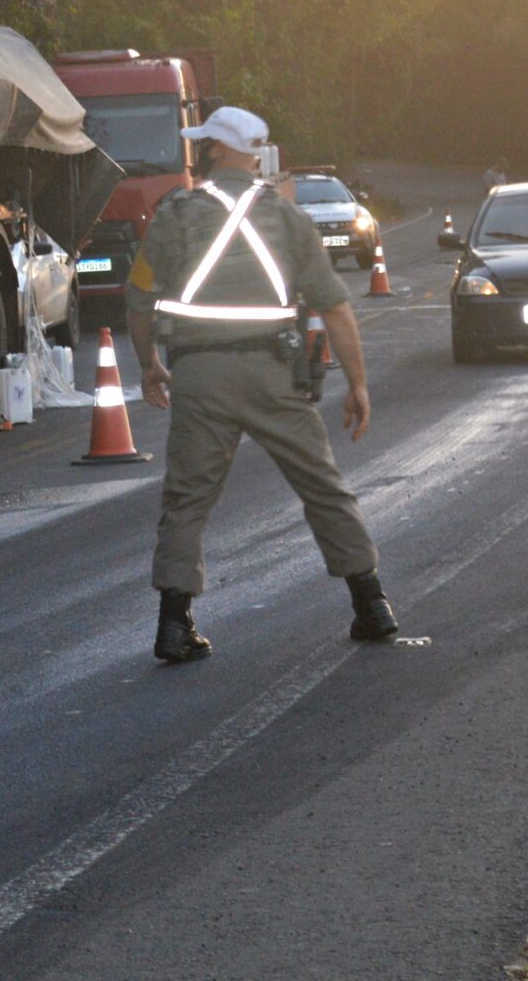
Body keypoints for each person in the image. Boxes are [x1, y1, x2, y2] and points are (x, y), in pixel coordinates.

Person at [124, 106, 398, 663]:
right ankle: (372, 606)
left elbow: (137, 299)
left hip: (199, 375)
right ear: (255, 155)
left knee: (188, 498)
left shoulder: (174, 215)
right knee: (322, 486)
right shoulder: (288, 218)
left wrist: (150, 364)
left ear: (217, 150)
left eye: (204, 144)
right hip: (275, 374)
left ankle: (174, 627)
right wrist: (359, 384)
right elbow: (336, 308)